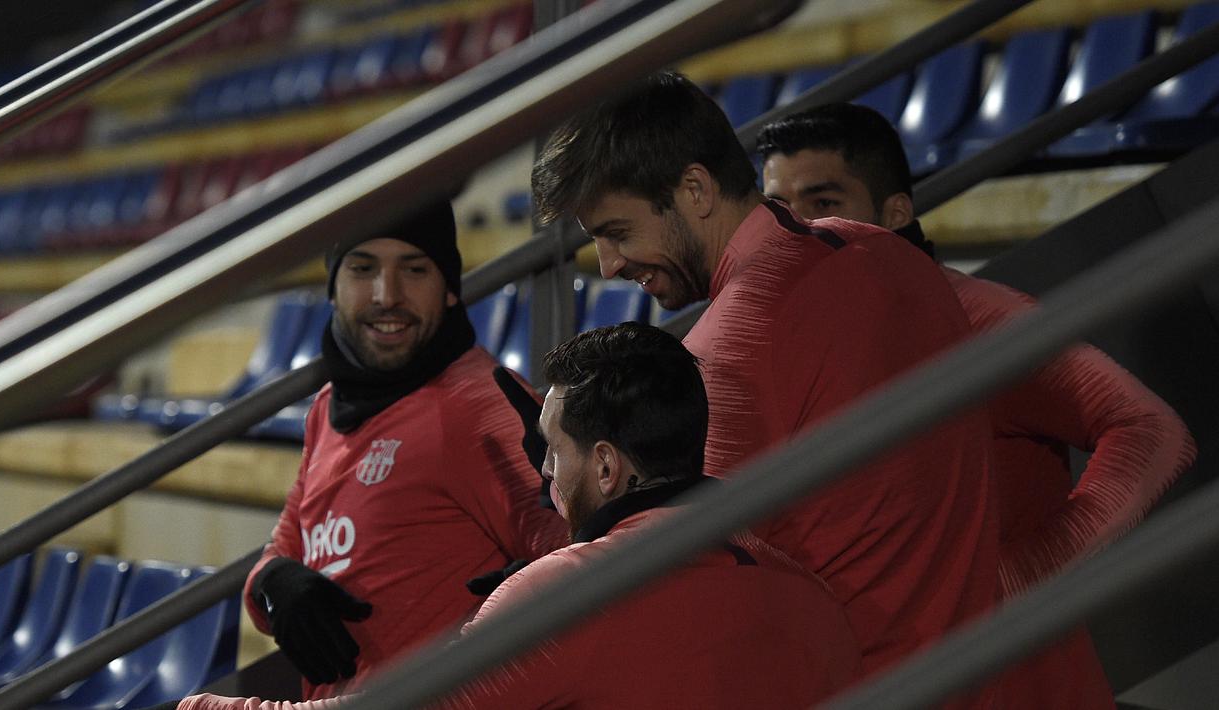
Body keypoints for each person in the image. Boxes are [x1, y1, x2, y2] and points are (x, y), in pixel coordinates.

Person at [530, 71, 1000, 704]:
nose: (610, 266)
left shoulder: (725, 350)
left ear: (695, 189)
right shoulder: (890, 256)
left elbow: (679, 592)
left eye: (617, 232)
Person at [163, 323, 861, 710]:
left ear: (609, 468)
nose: (544, 476)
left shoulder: (562, 598)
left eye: (552, 455)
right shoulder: (809, 598)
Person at [757, 102, 1197, 708]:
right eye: (779, 210)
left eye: (824, 203)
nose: (797, 231)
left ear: (894, 214)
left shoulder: (976, 318)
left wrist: (1022, 575)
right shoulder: (804, 341)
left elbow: (1150, 428)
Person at [242, 199, 568, 701]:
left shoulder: (484, 407)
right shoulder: (329, 405)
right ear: (332, 289)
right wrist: (274, 581)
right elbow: (284, 547)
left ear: (451, 290)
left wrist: (526, 600)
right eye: (362, 268)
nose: (386, 295)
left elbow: (586, 559)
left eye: (414, 270)